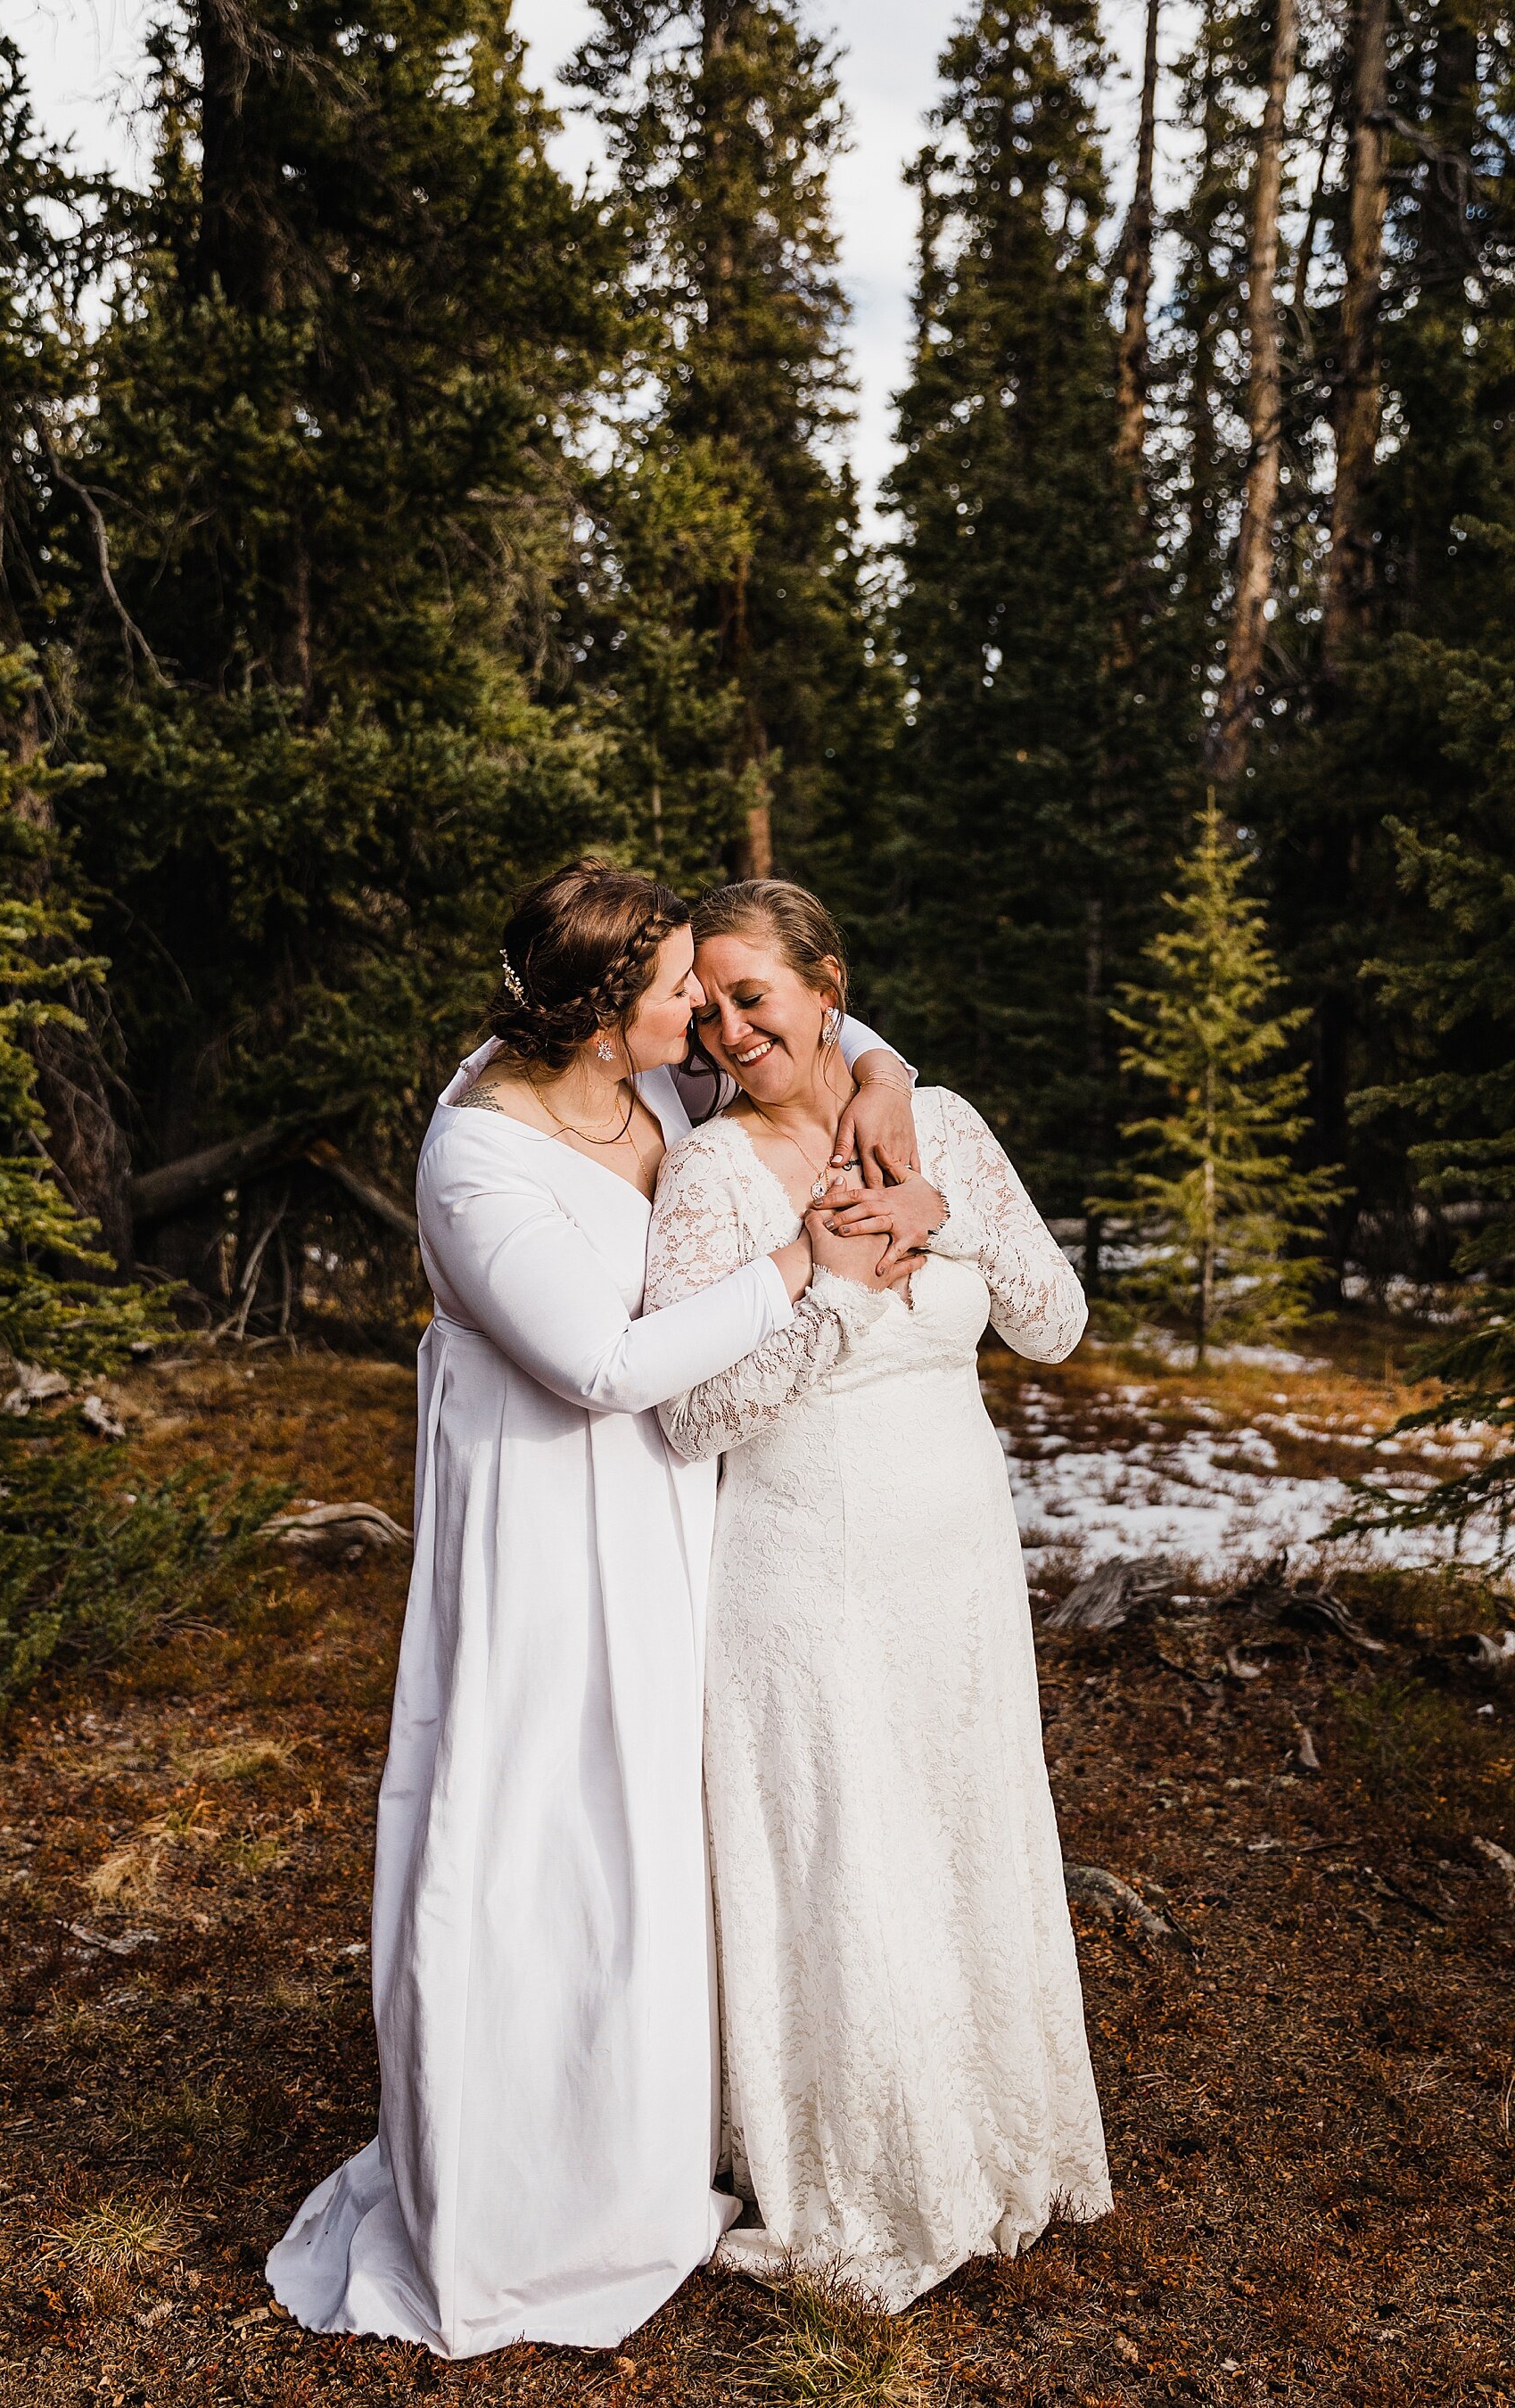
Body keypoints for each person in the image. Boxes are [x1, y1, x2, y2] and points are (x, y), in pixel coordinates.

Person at [267, 860, 917, 2359]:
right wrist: (798, 1267)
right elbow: (597, 1366)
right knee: (542, 1809)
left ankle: (659, 2130)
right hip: (544, 1503)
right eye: (679, 987)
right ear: (597, 1012)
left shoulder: (653, 1086)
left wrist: (878, 1066)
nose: (704, 1009)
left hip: (667, 1492)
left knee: (660, 1807)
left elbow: (811, 1018)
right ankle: (529, 2184)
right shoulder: (475, 1155)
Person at [643, 879, 1113, 2314]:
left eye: (752, 998)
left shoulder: (942, 1118)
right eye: (708, 1007)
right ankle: (864, 2173)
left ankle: (992, 2144)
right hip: (804, 1574)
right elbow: (692, 1414)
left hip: (958, 1559)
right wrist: (836, 1289)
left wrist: (941, 1210)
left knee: (964, 1829)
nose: (725, 1030)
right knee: (851, 1856)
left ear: (827, 982)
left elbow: (1057, 1320)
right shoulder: (711, 1176)